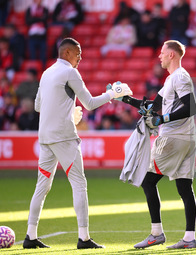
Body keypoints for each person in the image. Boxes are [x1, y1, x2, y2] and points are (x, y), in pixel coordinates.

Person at [23, 37, 132, 249]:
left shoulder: (46, 73)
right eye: (77, 53)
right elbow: (90, 104)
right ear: (67, 53)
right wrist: (112, 94)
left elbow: (38, 106)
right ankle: (83, 238)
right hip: (64, 138)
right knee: (79, 184)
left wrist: (67, 113)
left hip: (45, 138)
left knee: (41, 187)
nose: (80, 57)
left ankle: (30, 235)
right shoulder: (70, 72)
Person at [120, 40, 196, 249]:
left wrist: (162, 120)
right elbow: (153, 107)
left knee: (147, 181)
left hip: (173, 138)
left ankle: (157, 233)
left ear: (172, 55)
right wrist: (126, 99)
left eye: (162, 53)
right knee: (184, 187)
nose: (159, 56)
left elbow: (191, 107)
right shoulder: (173, 79)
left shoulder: (179, 76)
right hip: (188, 139)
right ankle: (189, 238)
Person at [25, 0, 49, 67]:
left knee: (43, 56)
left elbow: (45, 19)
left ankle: (42, 70)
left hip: (42, 36)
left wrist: (34, 19)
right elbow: (28, 21)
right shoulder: (29, 9)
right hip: (32, 36)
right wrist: (40, 18)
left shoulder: (45, 9)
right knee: (32, 56)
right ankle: (34, 70)